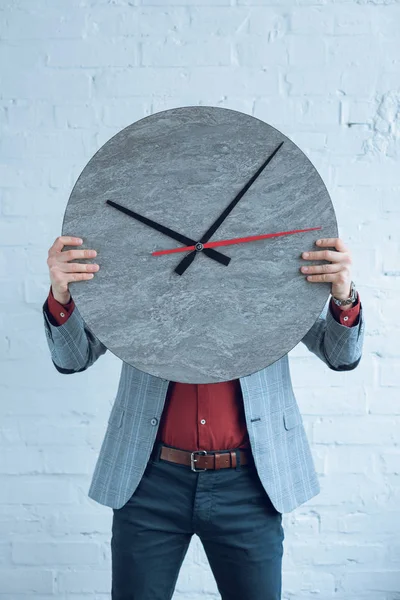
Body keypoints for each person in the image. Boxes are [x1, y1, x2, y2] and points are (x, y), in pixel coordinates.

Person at [43, 234, 364, 600]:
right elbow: (73, 357)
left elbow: (340, 355)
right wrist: (62, 296)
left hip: (251, 485)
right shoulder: (138, 262)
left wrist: (343, 296)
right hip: (148, 481)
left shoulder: (272, 261)